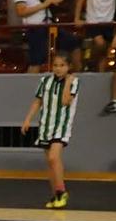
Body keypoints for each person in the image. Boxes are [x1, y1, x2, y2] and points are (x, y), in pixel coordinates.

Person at [21, 51, 78, 210]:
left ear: (69, 67)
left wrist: (67, 82)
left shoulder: (74, 82)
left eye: (62, 65)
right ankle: (55, 194)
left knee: (54, 157)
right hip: (46, 125)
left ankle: (61, 192)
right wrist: (27, 119)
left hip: (61, 125)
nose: (58, 69)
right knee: (50, 163)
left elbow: (66, 101)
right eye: (56, 65)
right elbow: (37, 102)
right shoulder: (45, 81)